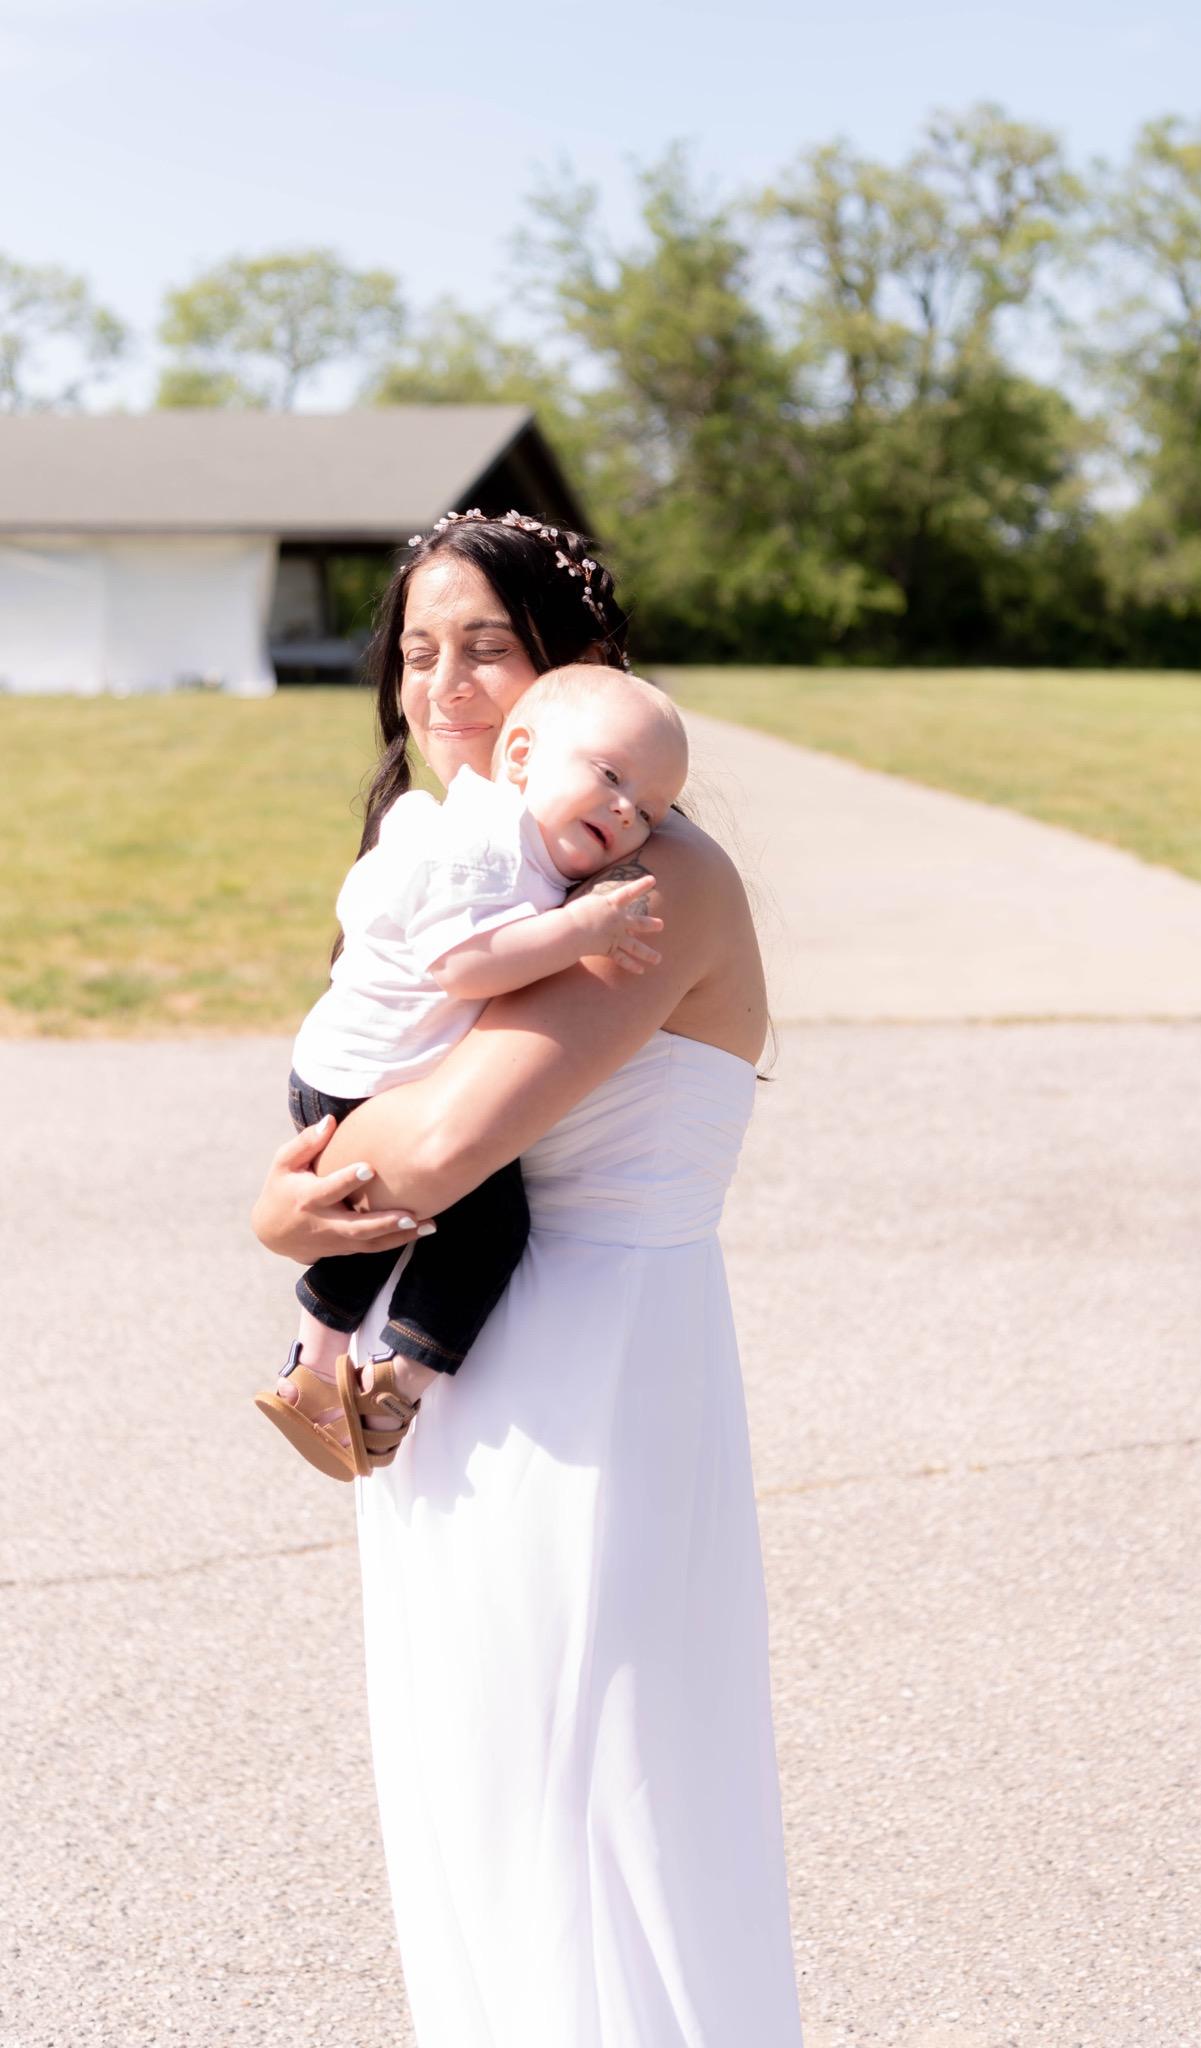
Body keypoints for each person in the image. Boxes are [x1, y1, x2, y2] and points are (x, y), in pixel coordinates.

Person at [251, 509, 804, 2046]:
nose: (441, 688)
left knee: (591, 1805)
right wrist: (297, 1203)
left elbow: (424, 1161)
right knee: (483, 1811)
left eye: (485, 648)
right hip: (465, 1380)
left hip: (591, 1388)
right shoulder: (477, 882)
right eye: (417, 654)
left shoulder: (659, 887)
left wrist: (281, 1210)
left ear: (579, 674)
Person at [254, 662, 686, 1484]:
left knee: (398, 1221)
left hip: (365, 1071)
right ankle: (393, 1382)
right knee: (475, 1227)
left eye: (650, 809)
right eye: (608, 777)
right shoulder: (485, 841)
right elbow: (463, 964)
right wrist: (581, 930)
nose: (628, 809)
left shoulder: (525, 845)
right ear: (520, 756)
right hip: (362, 1075)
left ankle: (316, 1363)